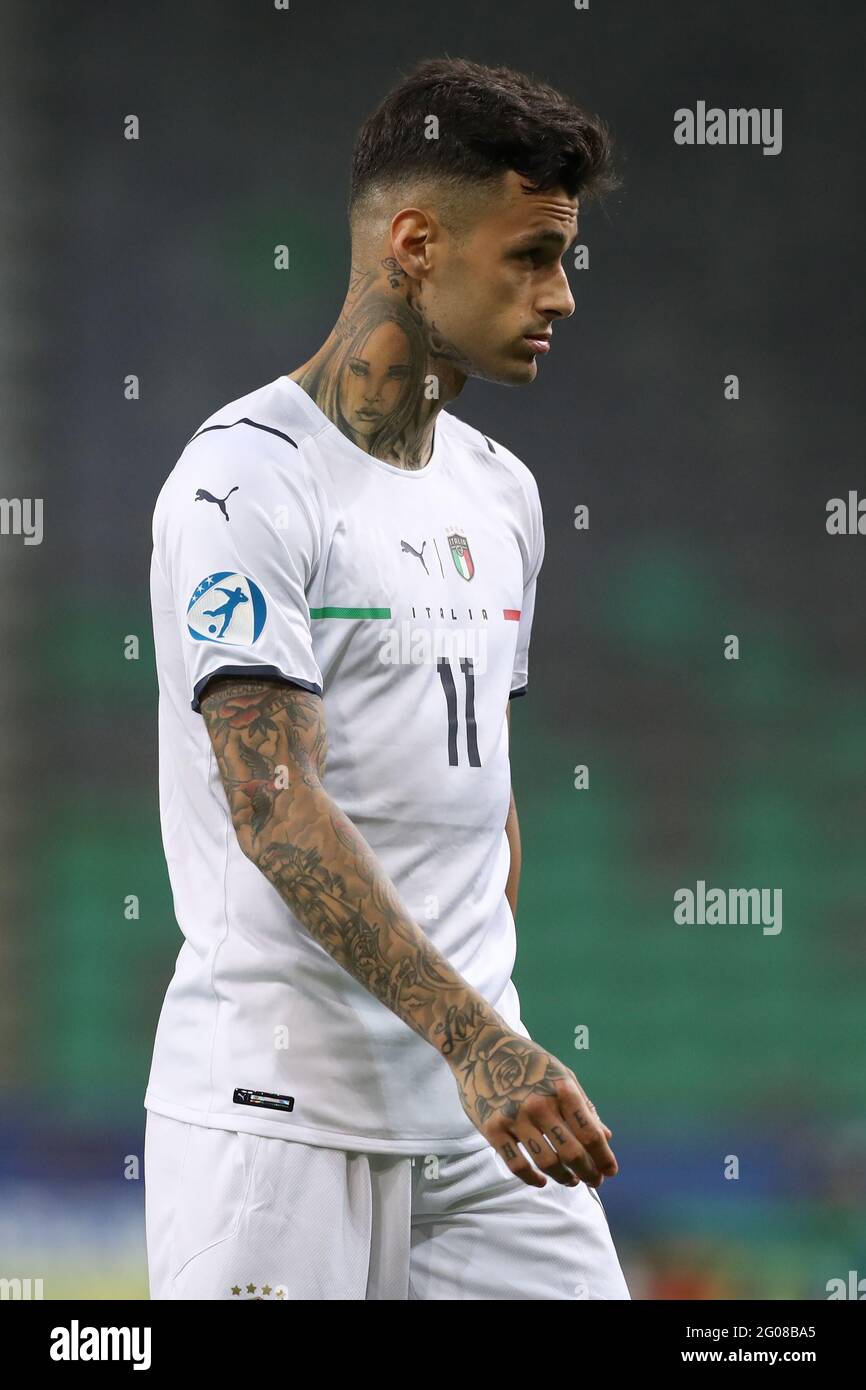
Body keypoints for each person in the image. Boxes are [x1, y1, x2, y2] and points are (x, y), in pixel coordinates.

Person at [144, 55, 629, 1300]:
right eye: (531, 255)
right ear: (416, 242)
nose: (560, 296)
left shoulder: (502, 495)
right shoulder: (246, 477)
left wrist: (482, 1035)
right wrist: (475, 1038)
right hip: (279, 1121)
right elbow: (271, 803)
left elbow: (483, 791)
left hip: (477, 1121)